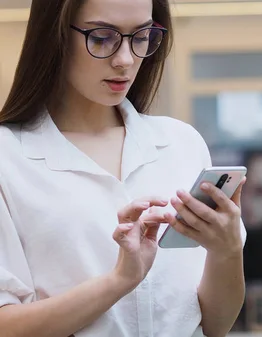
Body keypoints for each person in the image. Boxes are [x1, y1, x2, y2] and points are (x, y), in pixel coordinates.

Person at [0, 0, 247, 336]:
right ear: (54, 35)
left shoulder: (181, 143)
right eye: (102, 37)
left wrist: (227, 251)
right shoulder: (8, 156)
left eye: (142, 36)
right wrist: (120, 280)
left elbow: (215, 325)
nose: (126, 60)